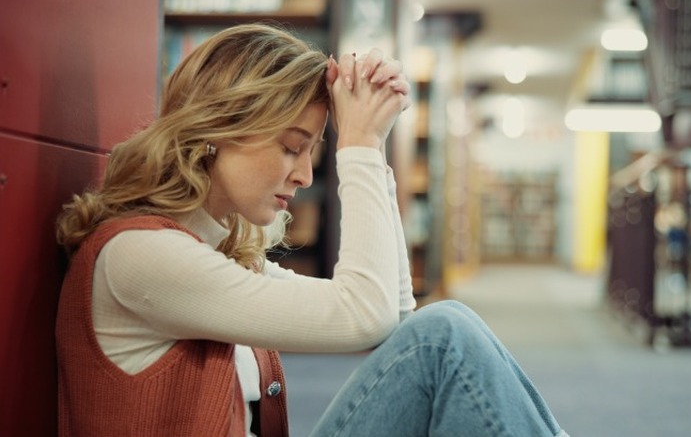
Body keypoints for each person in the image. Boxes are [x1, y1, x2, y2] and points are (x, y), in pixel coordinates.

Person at [55, 23, 569, 437]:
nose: (304, 175)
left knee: (443, 328)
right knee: (443, 339)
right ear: (219, 128)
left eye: (311, 152)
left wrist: (374, 148)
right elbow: (365, 317)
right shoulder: (140, 256)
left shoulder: (214, 253)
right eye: (290, 147)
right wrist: (359, 145)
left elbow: (392, 315)